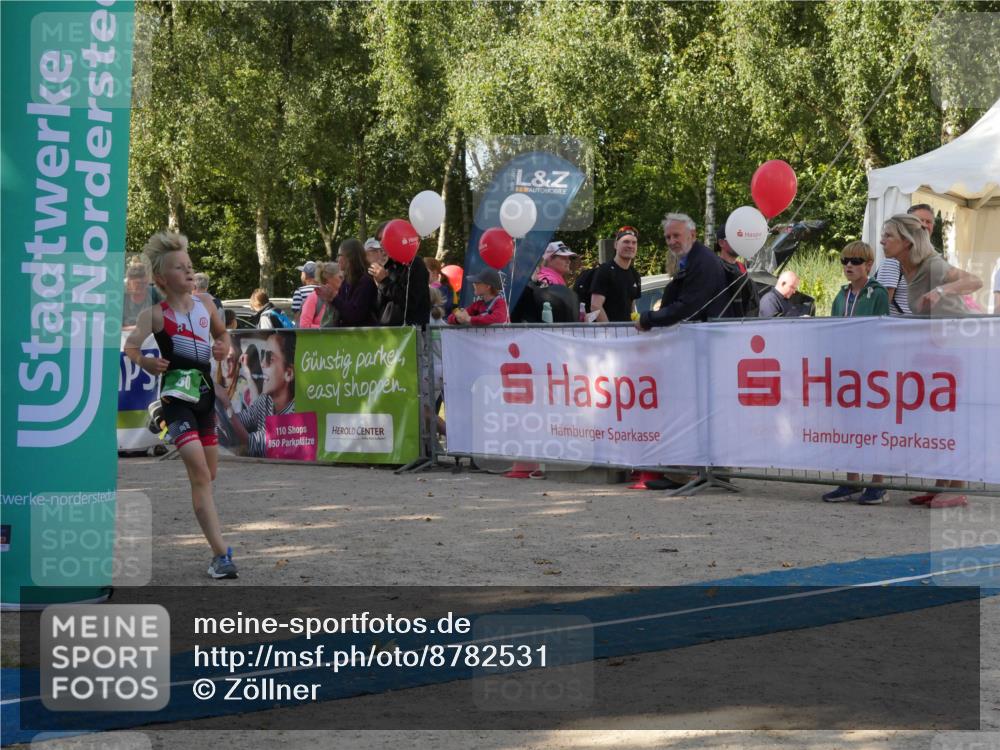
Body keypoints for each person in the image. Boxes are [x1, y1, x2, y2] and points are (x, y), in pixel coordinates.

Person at [124, 231, 237, 579]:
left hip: (204, 398)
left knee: (209, 474)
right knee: (201, 475)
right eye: (179, 268)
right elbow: (131, 348)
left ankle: (157, 418)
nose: (189, 273)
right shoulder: (154, 316)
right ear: (161, 278)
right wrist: (145, 362)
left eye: (190, 266)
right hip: (176, 399)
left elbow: (223, 335)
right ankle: (221, 556)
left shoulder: (205, 304)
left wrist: (223, 347)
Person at [881, 212, 982, 508]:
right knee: (939, 421)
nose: (883, 240)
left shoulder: (933, 266)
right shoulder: (905, 269)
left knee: (953, 421)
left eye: (889, 236)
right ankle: (941, 485)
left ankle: (957, 488)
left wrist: (941, 290)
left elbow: (974, 281)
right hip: (940, 355)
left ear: (907, 242)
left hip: (962, 352)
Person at [822, 241, 890, 505]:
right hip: (844, 371)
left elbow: (881, 331)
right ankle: (851, 481)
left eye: (856, 261)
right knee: (848, 427)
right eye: (845, 261)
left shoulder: (878, 293)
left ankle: (878, 483)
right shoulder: (841, 295)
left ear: (869, 265)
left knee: (873, 428)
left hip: (870, 372)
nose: (849, 265)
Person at [636, 213, 728, 330]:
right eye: (668, 237)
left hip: (706, 339)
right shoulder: (693, 259)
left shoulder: (702, 262)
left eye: (676, 235)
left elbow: (687, 308)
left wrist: (647, 319)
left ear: (693, 235)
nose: (671, 242)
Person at [215, 331, 296, 459]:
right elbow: (242, 420)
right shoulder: (266, 400)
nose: (262, 363)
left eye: (270, 358)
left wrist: (226, 404)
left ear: (288, 373)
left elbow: (251, 442)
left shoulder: (295, 414)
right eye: (263, 355)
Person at [590, 226, 642, 322]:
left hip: (627, 333)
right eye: (626, 242)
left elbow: (632, 305)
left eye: (634, 243)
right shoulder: (605, 270)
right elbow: (595, 306)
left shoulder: (635, 274)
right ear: (615, 245)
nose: (630, 246)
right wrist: (610, 331)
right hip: (609, 334)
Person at [331, 238, 378, 326]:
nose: (337, 259)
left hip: (363, 337)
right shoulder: (347, 281)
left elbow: (355, 315)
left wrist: (333, 298)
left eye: (339, 255)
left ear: (349, 257)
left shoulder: (366, 281)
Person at [299, 262, 344, 329]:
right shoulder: (314, 297)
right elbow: (304, 325)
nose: (343, 280)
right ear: (328, 278)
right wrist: (325, 328)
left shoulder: (343, 296)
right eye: (340, 277)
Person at [122, 263, 162, 328]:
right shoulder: (120, 297)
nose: (142, 286)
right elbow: (113, 326)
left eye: (145, 283)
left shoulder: (155, 294)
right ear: (128, 282)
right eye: (137, 283)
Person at [291, 261, 319, 326]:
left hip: (305, 330)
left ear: (305, 275)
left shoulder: (299, 292)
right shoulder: (323, 290)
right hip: (322, 328)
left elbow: (297, 316)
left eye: (302, 273)